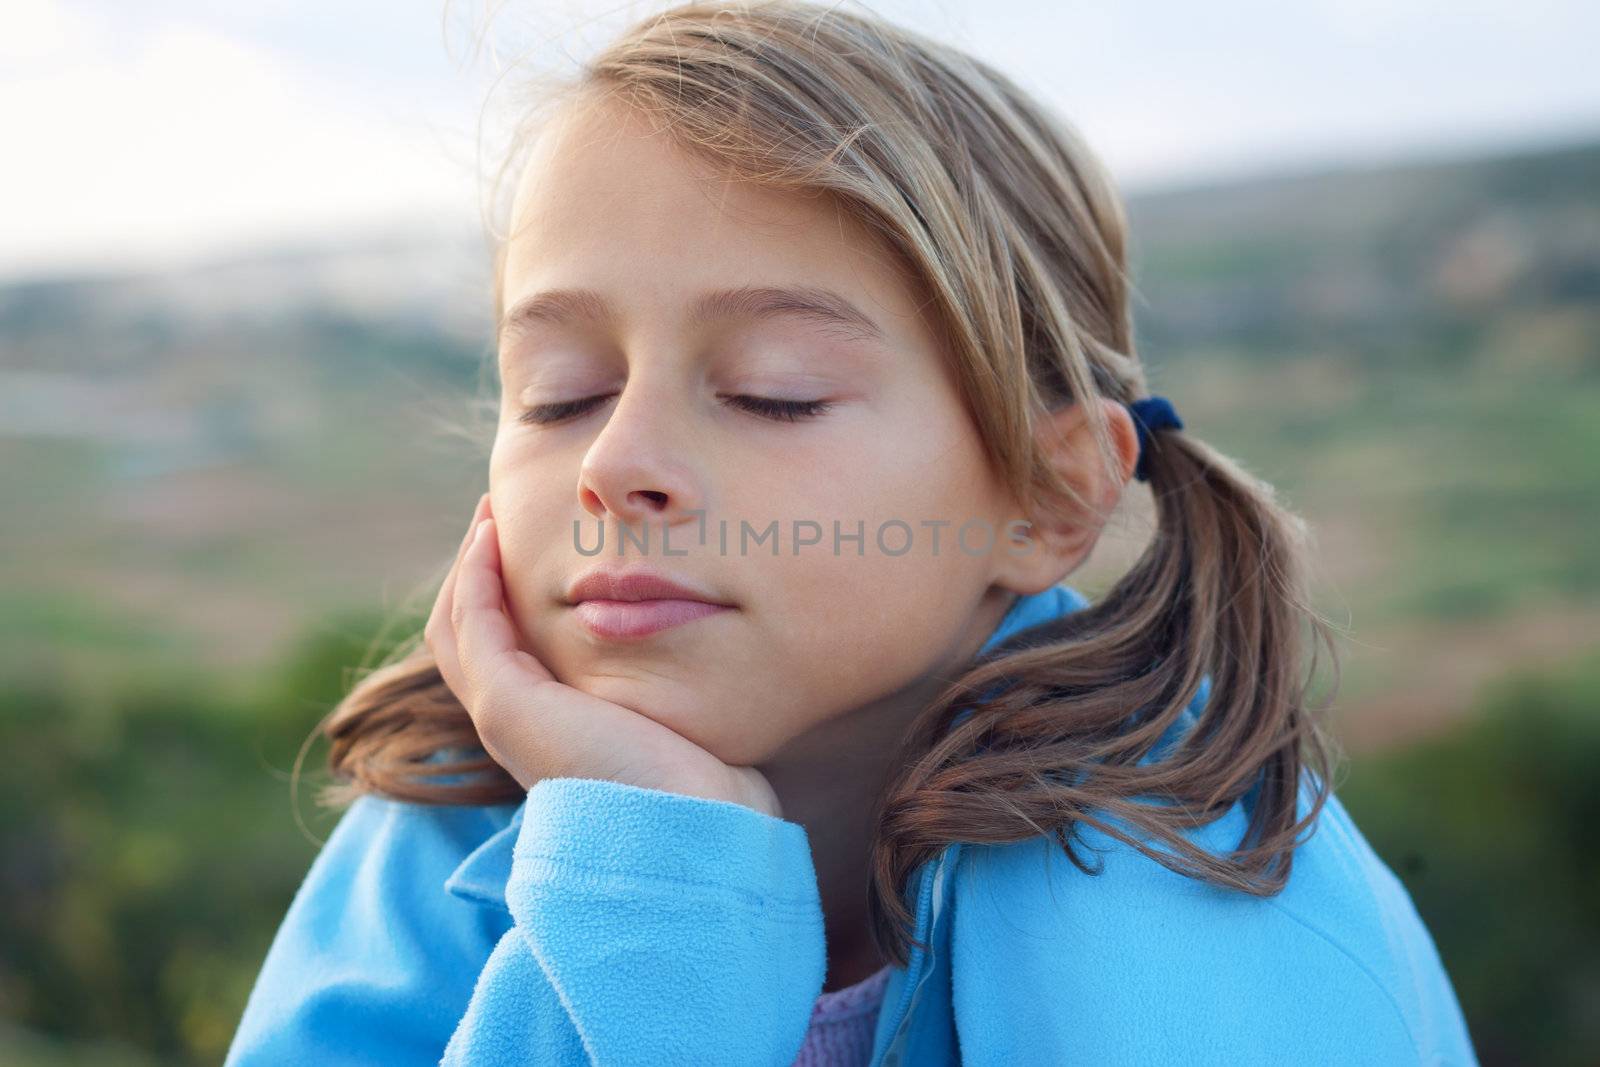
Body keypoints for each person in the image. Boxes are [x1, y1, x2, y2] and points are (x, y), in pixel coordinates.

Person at [222, 2, 1478, 1064]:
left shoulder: (1197, 898)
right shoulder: (442, 815)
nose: (614, 464)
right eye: (560, 390)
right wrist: (652, 846)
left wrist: (662, 885)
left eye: (776, 390)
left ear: (1047, 497)